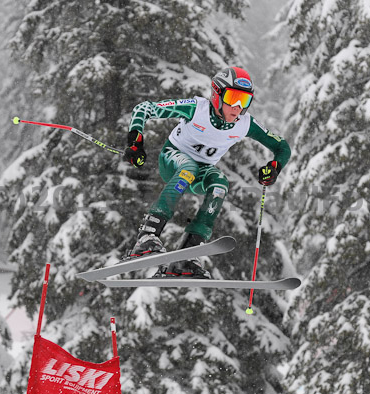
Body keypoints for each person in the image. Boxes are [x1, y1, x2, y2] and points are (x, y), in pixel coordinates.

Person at [122, 66, 291, 279]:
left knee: (220, 184)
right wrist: (135, 141)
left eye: (245, 100)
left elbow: (282, 146)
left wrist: (274, 168)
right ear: (216, 94)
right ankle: (147, 236)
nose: (238, 107)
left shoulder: (245, 124)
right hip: (172, 159)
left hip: (201, 170)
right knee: (188, 168)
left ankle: (186, 255)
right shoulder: (196, 108)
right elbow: (144, 108)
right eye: (233, 97)